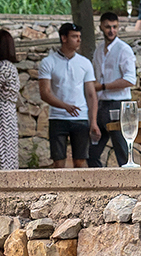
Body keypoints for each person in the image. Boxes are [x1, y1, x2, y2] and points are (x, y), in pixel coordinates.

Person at [37, 22, 98, 169]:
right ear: (64, 38)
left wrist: (93, 121)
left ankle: (82, 185)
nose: (78, 40)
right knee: (58, 162)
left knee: (80, 161)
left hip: (80, 117)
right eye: (74, 36)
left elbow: (91, 94)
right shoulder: (48, 62)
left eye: (79, 36)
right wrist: (64, 106)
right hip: (57, 117)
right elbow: (45, 93)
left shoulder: (85, 63)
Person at [89, 11, 136, 168]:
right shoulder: (98, 50)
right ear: (101, 27)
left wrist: (103, 86)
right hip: (101, 104)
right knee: (91, 153)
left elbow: (130, 79)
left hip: (119, 104)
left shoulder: (124, 49)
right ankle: (98, 181)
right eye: (108, 27)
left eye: (114, 27)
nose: (111, 30)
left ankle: (129, 181)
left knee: (123, 152)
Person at [0, 29, 21, 171]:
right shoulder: (4, 66)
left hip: (1, 115)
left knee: (2, 154)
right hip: (5, 113)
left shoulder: (3, 67)